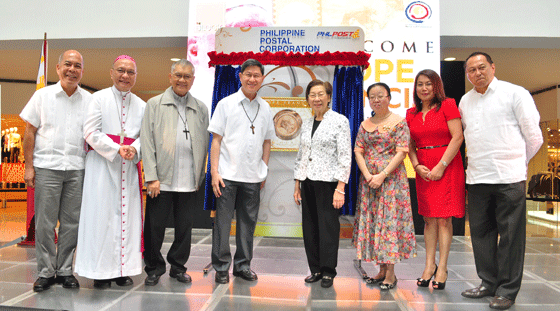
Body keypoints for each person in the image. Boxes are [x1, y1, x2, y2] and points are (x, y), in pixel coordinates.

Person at [459, 52, 543, 310]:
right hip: (477, 178)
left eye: (481, 67)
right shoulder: (465, 100)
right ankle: (488, 283)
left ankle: (507, 290)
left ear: (493, 67)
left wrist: (517, 163)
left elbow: (534, 137)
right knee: (481, 235)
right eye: (471, 70)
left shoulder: (515, 94)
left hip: (509, 178)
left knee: (510, 237)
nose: (477, 73)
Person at [20, 50, 92, 292]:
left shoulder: (90, 100)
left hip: (76, 169)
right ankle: (45, 271)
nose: (72, 69)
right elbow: (29, 133)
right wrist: (29, 167)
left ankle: (64, 270)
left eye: (77, 66)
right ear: (58, 68)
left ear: (83, 71)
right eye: (68, 65)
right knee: (44, 223)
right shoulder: (42, 96)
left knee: (72, 223)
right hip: (47, 168)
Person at [74, 55, 146, 289]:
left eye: (130, 72)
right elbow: (90, 132)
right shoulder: (97, 99)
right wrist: (117, 148)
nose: (125, 76)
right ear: (111, 73)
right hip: (102, 168)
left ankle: (122, 270)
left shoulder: (142, 105)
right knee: (102, 219)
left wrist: (134, 148)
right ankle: (100, 272)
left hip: (129, 169)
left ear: (135, 76)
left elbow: (146, 137)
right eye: (121, 71)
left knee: (127, 219)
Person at [141, 59, 209, 286]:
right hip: (161, 180)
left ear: (192, 80)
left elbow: (204, 143)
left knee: (184, 229)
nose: (182, 80)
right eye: (178, 75)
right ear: (170, 77)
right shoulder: (154, 104)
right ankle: (153, 267)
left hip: (189, 180)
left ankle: (178, 267)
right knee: (154, 227)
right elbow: (147, 142)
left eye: (187, 76)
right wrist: (151, 177)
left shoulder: (200, 108)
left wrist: (201, 176)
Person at [208, 59, 275, 284]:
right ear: (240, 76)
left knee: (248, 224)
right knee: (223, 224)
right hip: (226, 175)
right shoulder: (226, 104)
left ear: (262, 79)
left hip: (253, 177)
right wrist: (214, 172)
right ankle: (220, 267)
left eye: (256, 75)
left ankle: (243, 266)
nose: (252, 79)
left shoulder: (265, 107)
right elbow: (216, 140)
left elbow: (267, 141)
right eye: (248, 74)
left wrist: (263, 169)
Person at [352, 82, 416, 290]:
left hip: (391, 181)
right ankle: (380, 270)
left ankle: (391, 274)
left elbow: (402, 151)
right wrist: (368, 174)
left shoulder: (398, 122)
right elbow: (358, 151)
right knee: (373, 223)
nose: (376, 100)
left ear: (389, 97)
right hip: (369, 180)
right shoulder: (364, 124)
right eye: (372, 96)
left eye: (380, 95)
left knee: (388, 224)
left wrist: (382, 174)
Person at [406, 69, 465, 290]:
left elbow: (457, 136)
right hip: (423, 167)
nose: (424, 88)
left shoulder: (448, 105)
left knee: (444, 219)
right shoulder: (410, 113)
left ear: (436, 86)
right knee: (429, 218)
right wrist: (415, 165)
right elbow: (409, 144)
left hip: (447, 166)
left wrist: (441, 165)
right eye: (420, 84)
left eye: (428, 84)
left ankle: (442, 268)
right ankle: (429, 265)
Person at [293, 79, 352, 288]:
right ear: (307, 99)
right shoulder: (307, 122)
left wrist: (340, 188)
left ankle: (328, 271)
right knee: (309, 228)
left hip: (328, 183)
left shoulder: (339, 120)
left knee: (328, 228)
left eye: (320, 94)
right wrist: (297, 183)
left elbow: (345, 156)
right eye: (312, 95)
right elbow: (302, 154)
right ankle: (315, 269)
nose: (316, 99)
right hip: (307, 181)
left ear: (328, 97)